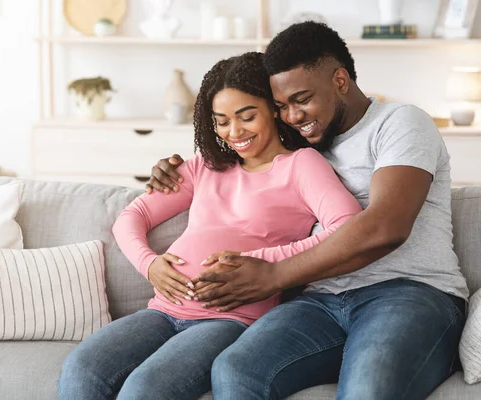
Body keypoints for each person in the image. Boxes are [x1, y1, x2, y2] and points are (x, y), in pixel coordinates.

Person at [146, 21, 468, 400]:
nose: (293, 116)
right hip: (320, 301)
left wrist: (275, 274)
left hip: (409, 292)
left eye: (302, 99)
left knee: (368, 388)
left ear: (341, 80)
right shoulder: (303, 144)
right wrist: (170, 171)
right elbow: (240, 158)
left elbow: (387, 227)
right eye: (281, 106)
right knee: (236, 369)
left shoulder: (400, 122)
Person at [57, 52, 362, 400]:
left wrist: (263, 260)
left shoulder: (301, 165)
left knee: (144, 389)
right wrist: (150, 264)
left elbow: (347, 226)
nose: (235, 132)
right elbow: (131, 217)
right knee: (81, 368)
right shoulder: (206, 165)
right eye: (222, 121)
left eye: (247, 117)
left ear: (274, 109)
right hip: (163, 310)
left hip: (229, 319)